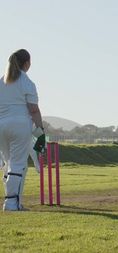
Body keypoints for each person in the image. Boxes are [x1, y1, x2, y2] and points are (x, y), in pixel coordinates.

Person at [0, 49, 45, 211]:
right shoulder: (27, 83)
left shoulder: (1, 81)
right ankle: (12, 203)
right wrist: (40, 131)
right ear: (26, 63)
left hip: (1, 126)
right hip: (19, 126)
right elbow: (33, 110)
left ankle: (11, 202)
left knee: (9, 164)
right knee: (18, 165)